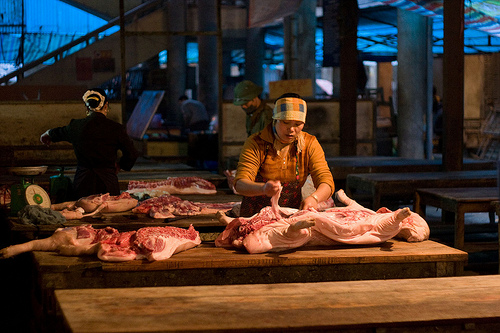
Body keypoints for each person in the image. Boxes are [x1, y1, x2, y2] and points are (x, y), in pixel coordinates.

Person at [233, 93, 335, 217]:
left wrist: (314, 198)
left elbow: (326, 181)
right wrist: (263, 189)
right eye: (286, 122)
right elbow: (240, 184)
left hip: (291, 216)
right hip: (254, 217)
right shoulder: (256, 142)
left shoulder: (309, 144)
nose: (291, 129)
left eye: (297, 124)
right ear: (275, 119)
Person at [40, 88, 138, 199]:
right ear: (106, 106)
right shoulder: (116, 128)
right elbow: (132, 154)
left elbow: (56, 132)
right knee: (110, 212)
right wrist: (120, 165)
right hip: (108, 184)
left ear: (87, 107)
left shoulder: (76, 126)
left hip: (82, 184)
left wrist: (47, 134)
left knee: (81, 212)